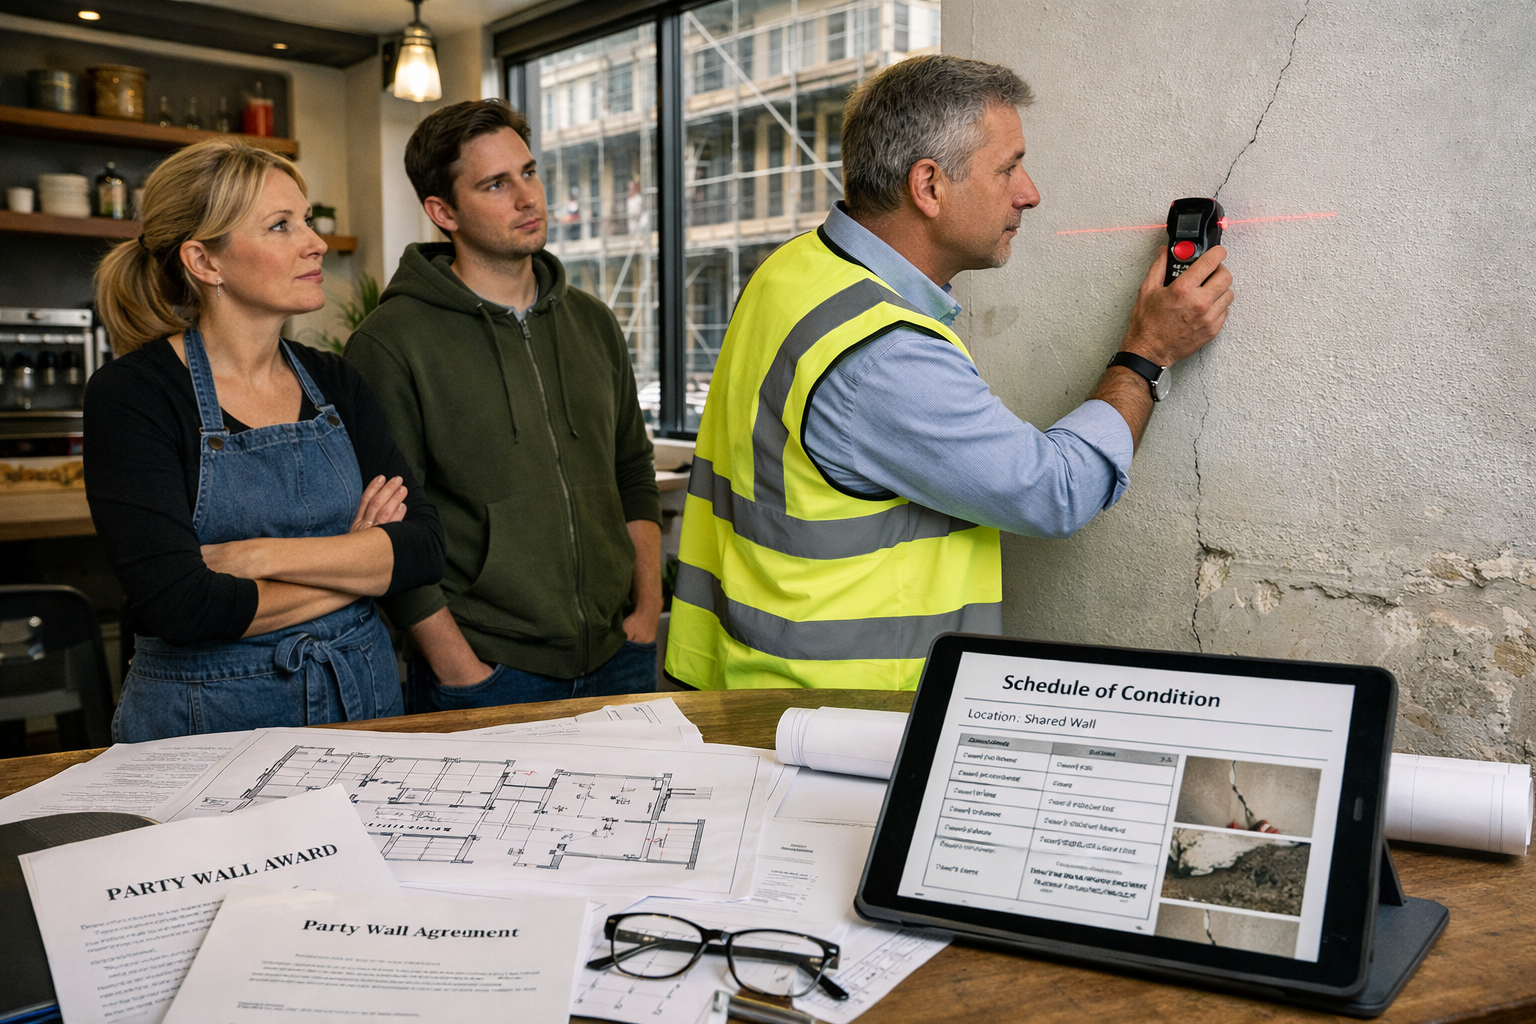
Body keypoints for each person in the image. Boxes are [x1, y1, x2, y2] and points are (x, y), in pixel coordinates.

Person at [666, 55, 1235, 691]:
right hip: (838, 721)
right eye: (1008, 167)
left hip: (741, 685)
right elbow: (1055, 490)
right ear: (929, 186)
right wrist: (1148, 349)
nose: (1030, 192)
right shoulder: (882, 353)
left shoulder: (793, 272)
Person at [85, 140, 445, 739]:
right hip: (208, 723)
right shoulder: (134, 395)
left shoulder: (335, 380)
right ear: (205, 262)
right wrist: (356, 560)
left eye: (305, 220)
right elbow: (183, 607)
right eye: (281, 226)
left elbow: (422, 550)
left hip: (364, 701)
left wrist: (258, 558)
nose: (316, 242)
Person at [345, 99, 662, 712]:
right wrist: (459, 667)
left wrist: (647, 609)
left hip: (620, 655)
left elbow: (632, 470)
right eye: (495, 184)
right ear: (443, 212)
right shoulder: (391, 342)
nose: (527, 198)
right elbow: (389, 529)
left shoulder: (592, 322)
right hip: (489, 671)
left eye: (529, 172)